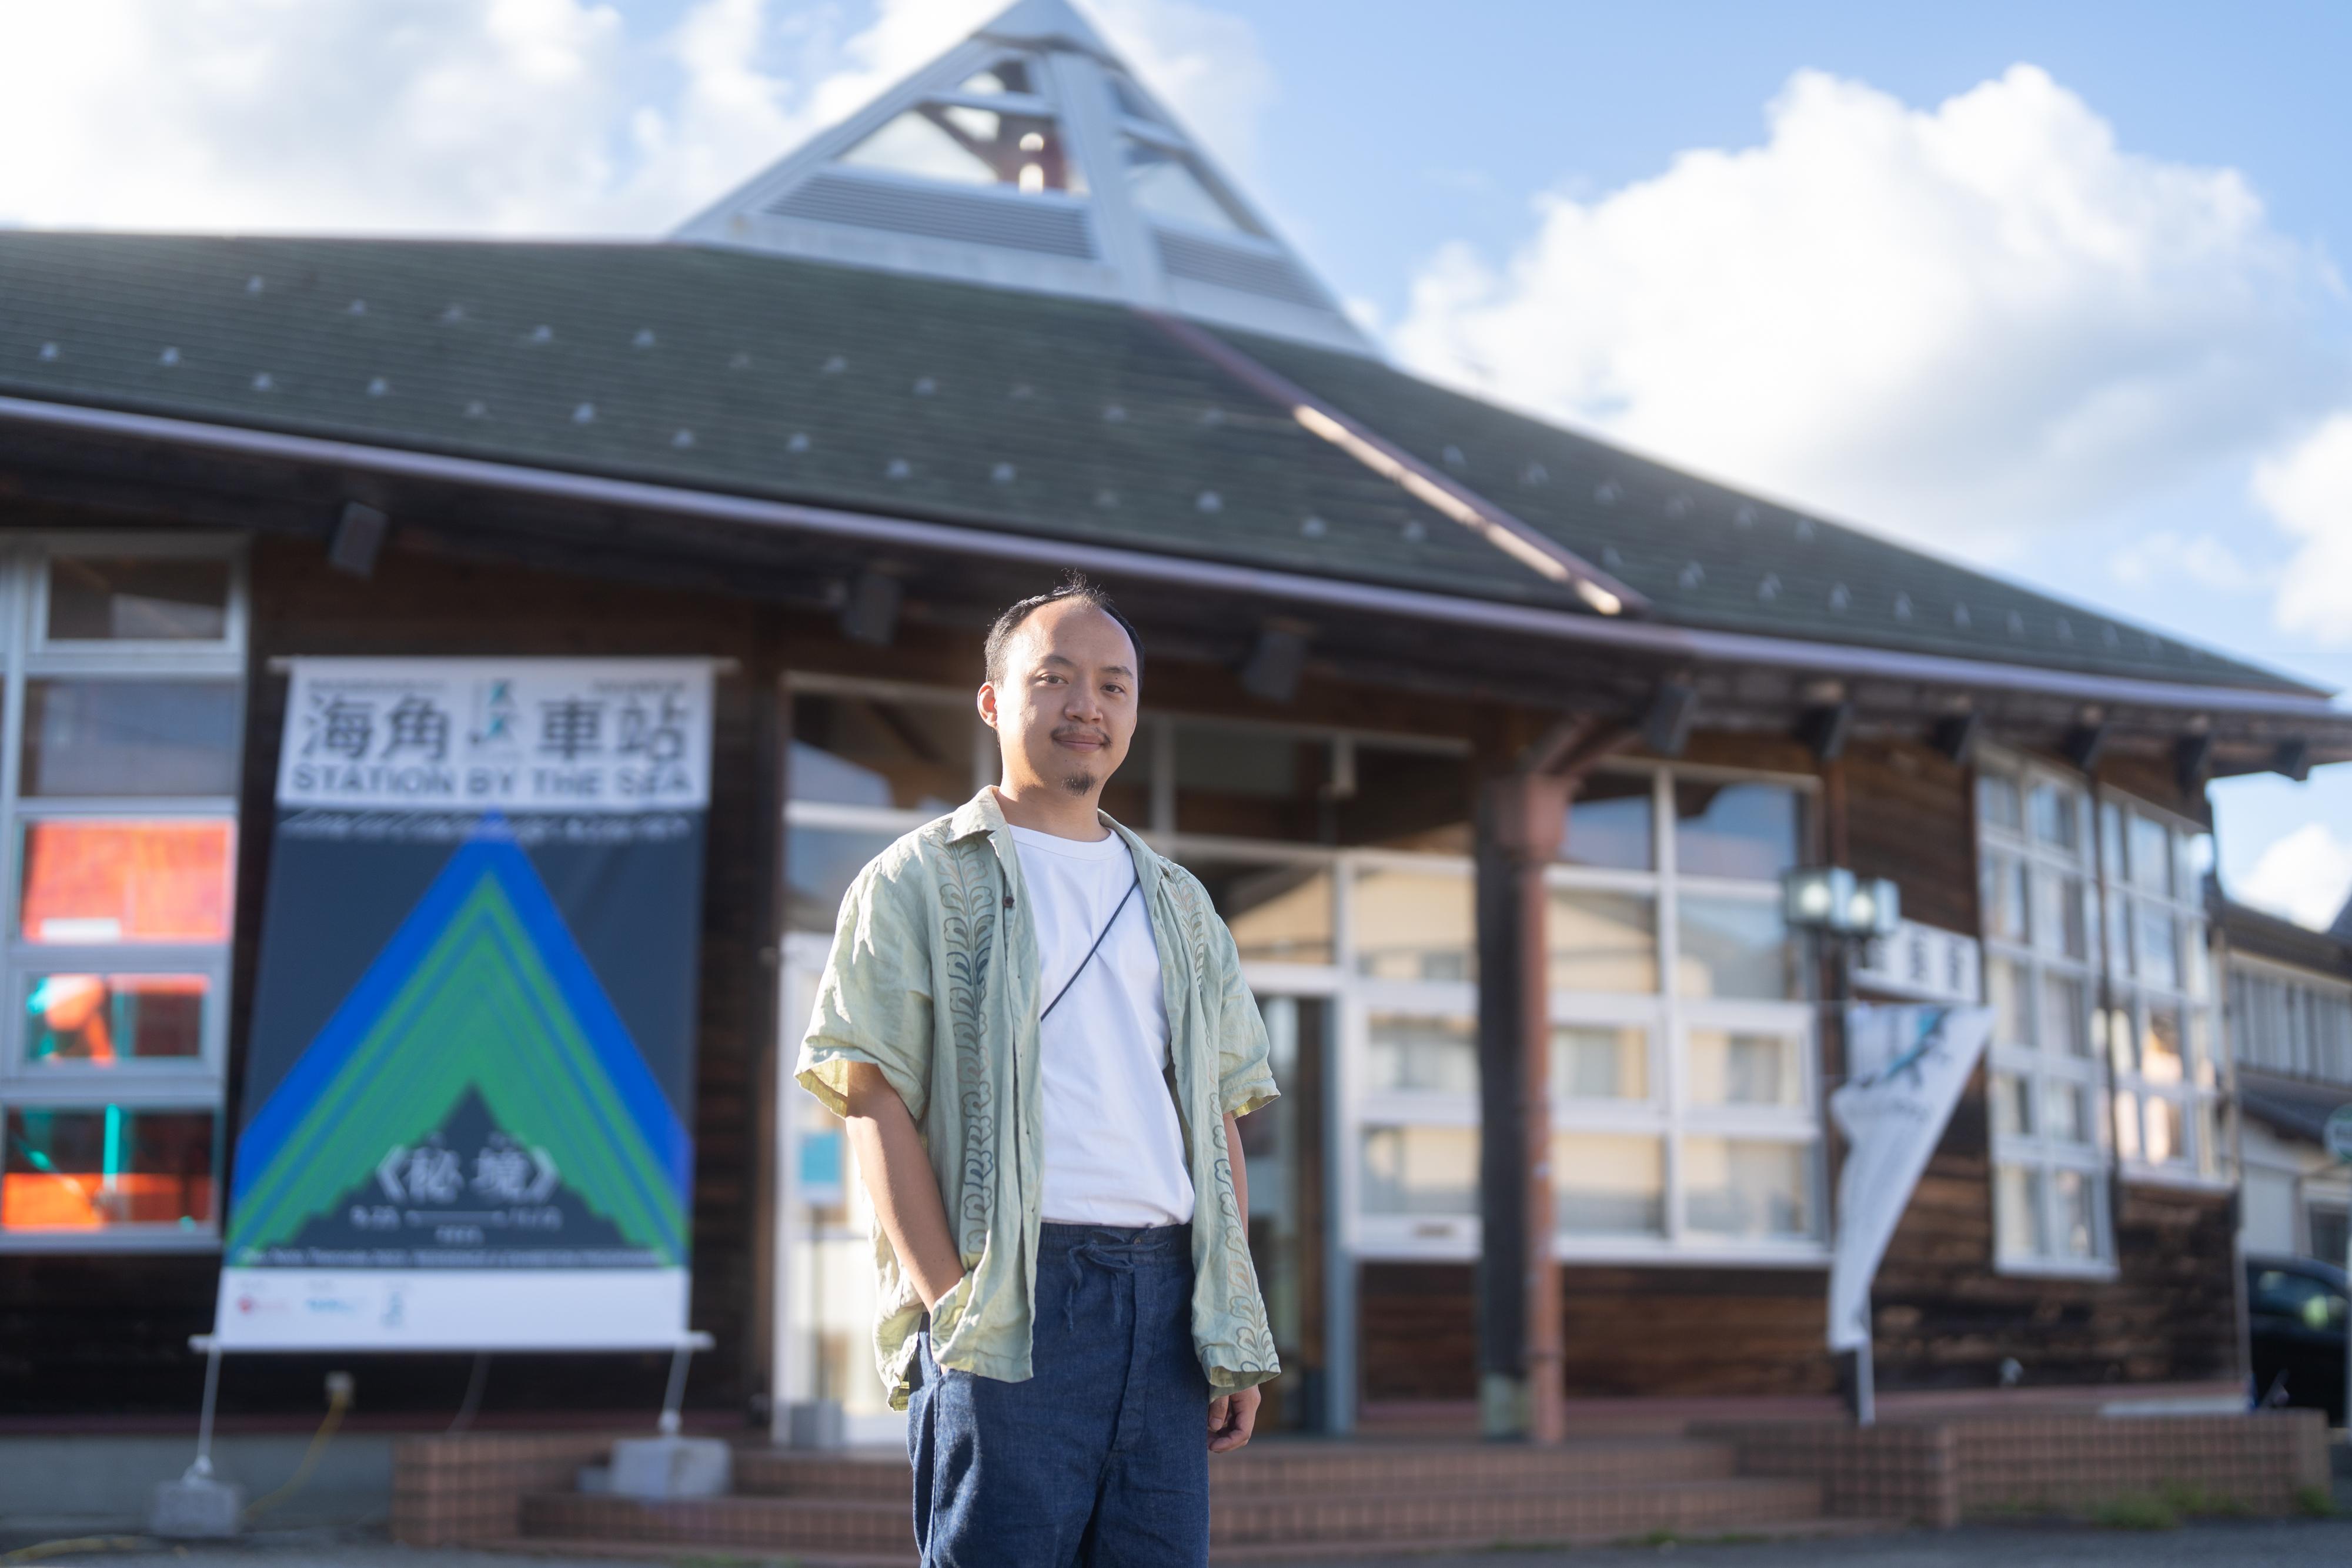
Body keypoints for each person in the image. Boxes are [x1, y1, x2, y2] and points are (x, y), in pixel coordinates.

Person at [796, 574, 1280, 1567]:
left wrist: (1232, 1318)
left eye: (1113, 686)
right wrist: (951, 1301)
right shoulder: (915, 879)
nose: (1086, 707)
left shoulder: (1182, 902)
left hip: (1168, 1296)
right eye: (1055, 679)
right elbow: (869, 1094)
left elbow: (1218, 1113)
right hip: (1011, 1293)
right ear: (994, 700)